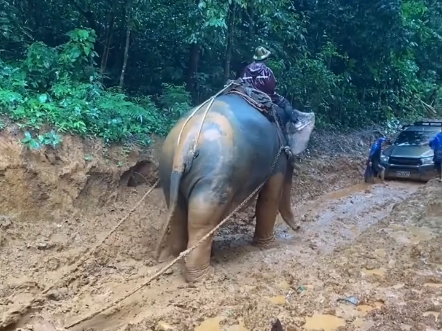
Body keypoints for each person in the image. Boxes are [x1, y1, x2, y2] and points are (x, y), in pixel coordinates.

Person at [241, 46, 302, 130]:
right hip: (264, 96)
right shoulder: (266, 70)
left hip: (249, 95)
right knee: (285, 103)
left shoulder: (246, 69)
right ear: (265, 58)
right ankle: (296, 122)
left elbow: (243, 83)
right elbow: (271, 87)